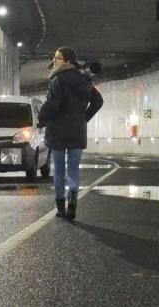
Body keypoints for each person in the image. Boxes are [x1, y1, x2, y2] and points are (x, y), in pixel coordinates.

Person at [37, 47, 104, 220]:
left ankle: (61, 208)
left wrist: (41, 119)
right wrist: (84, 118)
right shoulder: (85, 80)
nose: (54, 61)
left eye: (57, 58)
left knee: (59, 170)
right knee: (73, 169)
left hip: (58, 131)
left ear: (67, 61)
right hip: (77, 131)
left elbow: (53, 105)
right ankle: (72, 202)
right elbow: (98, 101)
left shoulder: (57, 80)